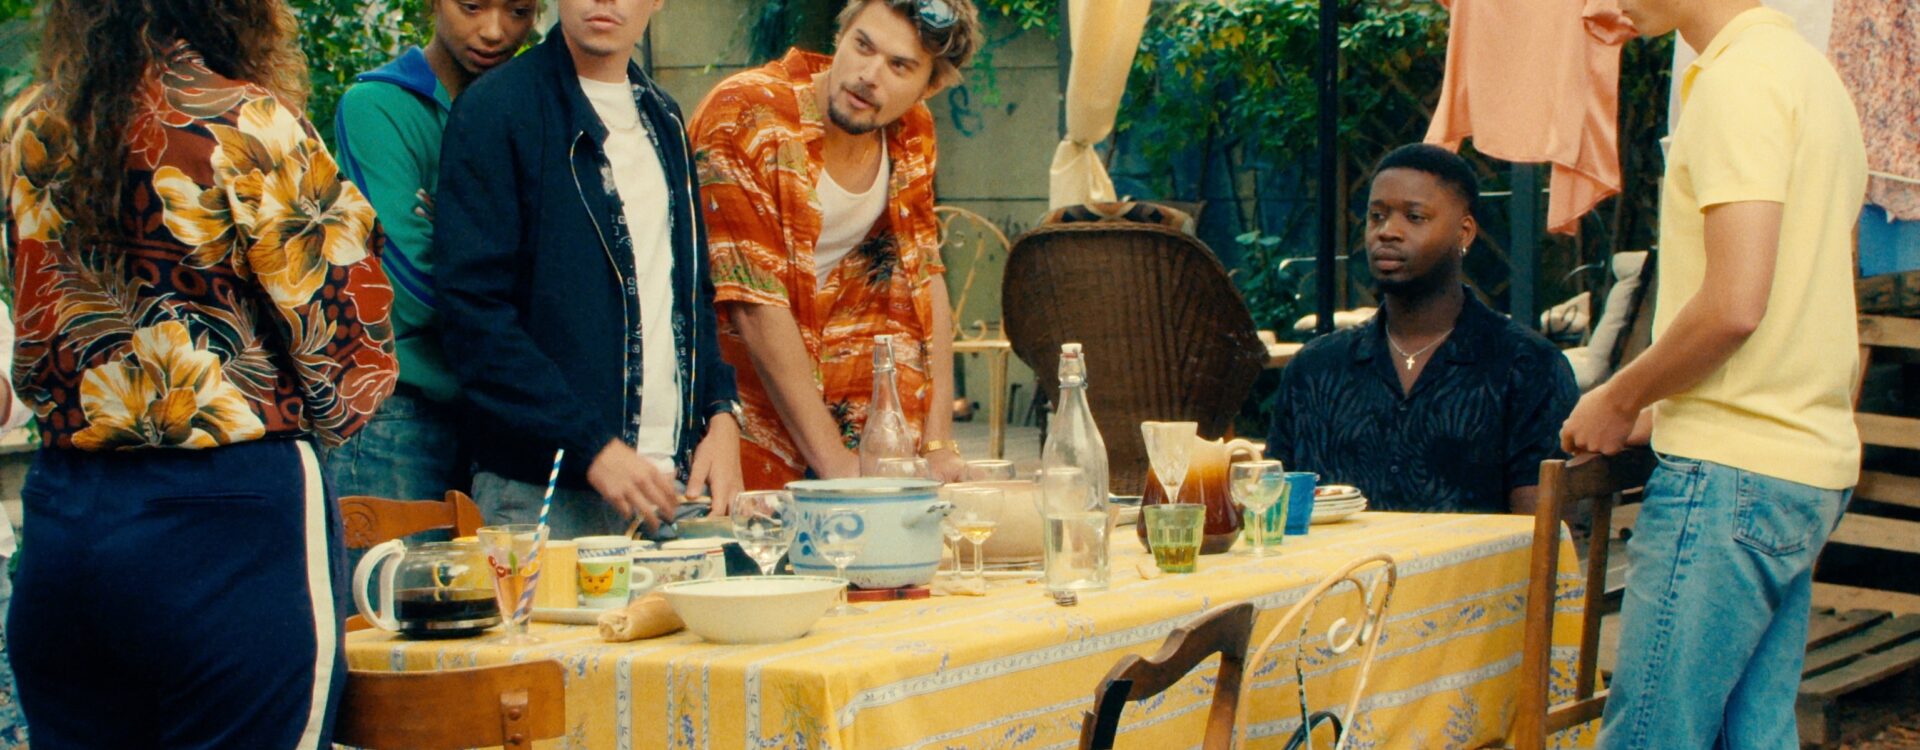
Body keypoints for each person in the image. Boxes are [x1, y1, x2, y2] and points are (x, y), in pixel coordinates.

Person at [0, 0, 397, 745]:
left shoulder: (27, 129)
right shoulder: (247, 123)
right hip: (228, 518)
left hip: (67, 519)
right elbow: (349, 344)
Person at [1560, 0, 1865, 745]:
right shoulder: (1810, 76)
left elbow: (1735, 305)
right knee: (1751, 735)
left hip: (1732, 475)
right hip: (1803, 465)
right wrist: (1668, 406)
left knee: (1651, 735)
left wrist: (1619, 395)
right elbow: (1809, 302)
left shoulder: (1739, 82)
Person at [435, 0, 742, 539]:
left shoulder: (665, 117)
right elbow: (472, 317)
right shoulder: (494, 109)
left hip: (671, 489)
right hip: (542, 491)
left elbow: (692, 292)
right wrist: (591, 445)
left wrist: (721, 413)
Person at [691, 0, 982, 488]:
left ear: (928, 87)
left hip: (856, 406)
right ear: (840, 37)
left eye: (899, 66)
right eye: (862, 46)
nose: (869, 75)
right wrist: (835, 465)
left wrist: (938, 445)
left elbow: (924, 274)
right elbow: (752, 302)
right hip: (737, 403)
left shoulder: (912, 131)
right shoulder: (748, 113)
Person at [1266, 144, 1577, 514]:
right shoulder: (1315, 369)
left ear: (1464, 232)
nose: (1387, 232)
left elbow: (1540, 532)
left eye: (1414, 217)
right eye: (1377, 216)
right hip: (1336, 555)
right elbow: (1272, 509)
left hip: (1476, 555)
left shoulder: (1525, 366)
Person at [324, 0, 537, 503]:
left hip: (501, 415)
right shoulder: (376, 106)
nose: (494, 31)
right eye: (472, 7)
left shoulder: (530, 111)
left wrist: (451, 229)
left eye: (518, 11)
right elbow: (409, 285)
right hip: (399, 414)